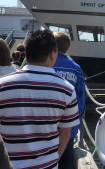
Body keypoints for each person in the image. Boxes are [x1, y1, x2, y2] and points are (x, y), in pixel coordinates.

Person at [0, 30, 79, 169]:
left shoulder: (3, 85)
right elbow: (65, 134)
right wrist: (53, 160)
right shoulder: (67, 90)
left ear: (28, 53)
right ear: (52, 55)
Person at [53, 32, 86, 169]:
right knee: (66, 162)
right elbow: (81, 98)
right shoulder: (76, 68)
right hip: (69, 128)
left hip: (46, 127)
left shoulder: (47, 64)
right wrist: (76, 121)